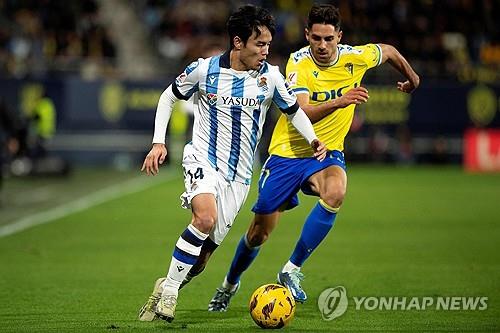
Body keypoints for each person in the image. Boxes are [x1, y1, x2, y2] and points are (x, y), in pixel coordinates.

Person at [203, 4, 420, 311]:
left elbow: (389, 51)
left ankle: (291, 269)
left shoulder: (355, 58)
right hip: (286, 154)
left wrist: (412, 78)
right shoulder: (298, 63)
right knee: (258, 232)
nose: (321, 45)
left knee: (336, 191)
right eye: (315, 38)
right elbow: (301, 111)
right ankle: (229, 284)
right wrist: (341, 101)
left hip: (326, 153)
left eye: (328, 38)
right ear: (307, 35)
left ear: (339, 36)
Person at [138, 5, 326, 323]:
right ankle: (170, 292)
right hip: (202, 159)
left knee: (201, 260)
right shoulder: (204, 70)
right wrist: (158, 142)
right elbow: (169, 97)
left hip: (239, 176)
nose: (266, 51)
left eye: (268, 44)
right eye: (260, 44)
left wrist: (313, 139)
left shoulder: (272, 78)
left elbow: (293, 110)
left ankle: (167, 283)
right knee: (205, 218)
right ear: (238, 42)